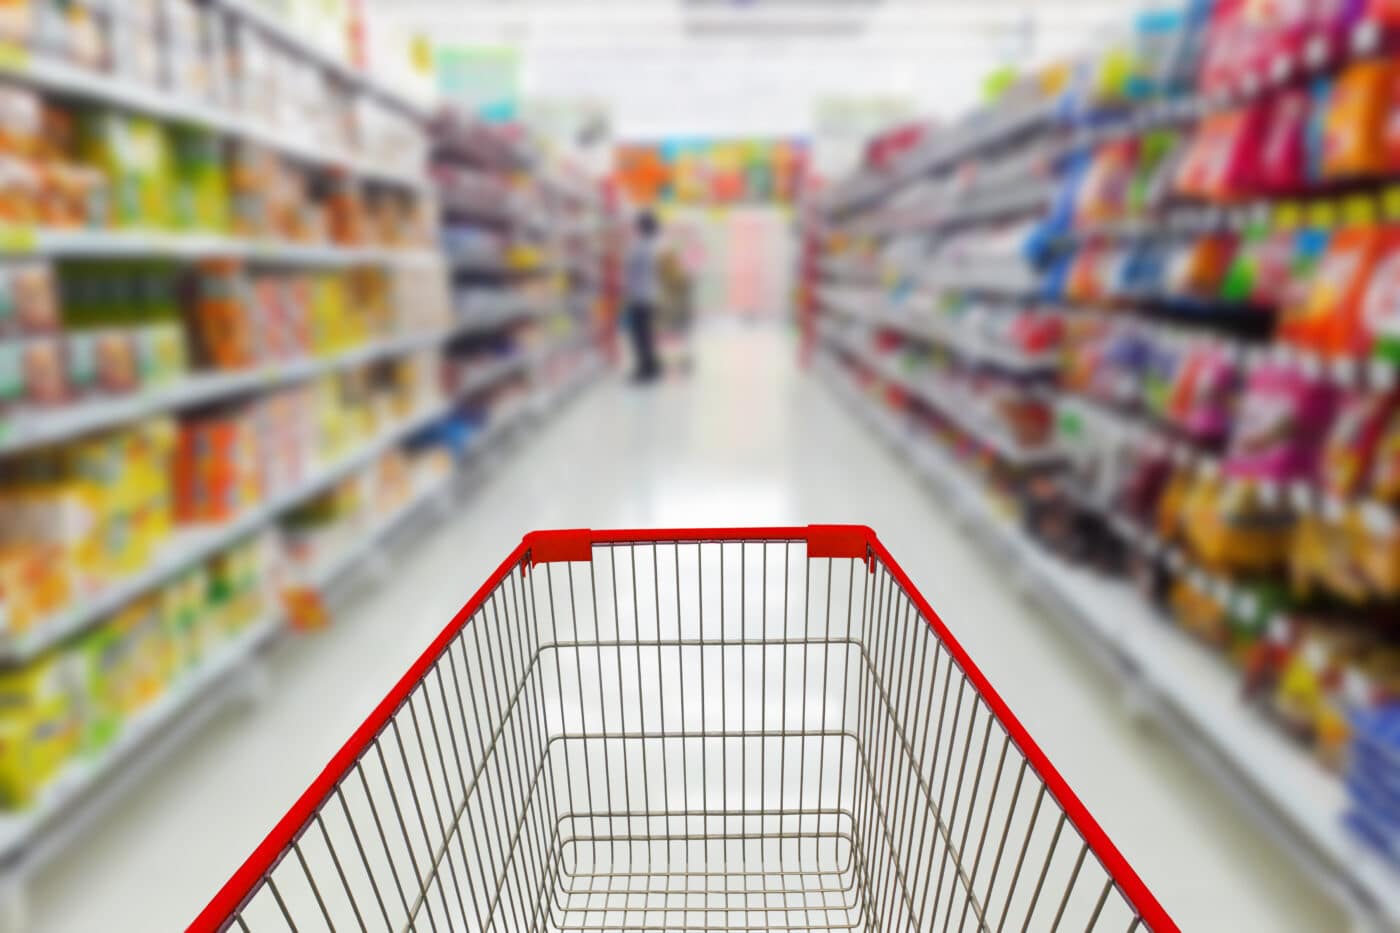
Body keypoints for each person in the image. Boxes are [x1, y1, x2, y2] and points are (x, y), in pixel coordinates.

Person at [624, 210, 662, 382]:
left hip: (639, 296)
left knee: (639, 336)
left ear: (640, 226)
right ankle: (652, 367)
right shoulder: (654, 244)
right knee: (647, 334)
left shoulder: (639, 246)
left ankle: (644, 371)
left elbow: (630, 268)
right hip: (651, 295)